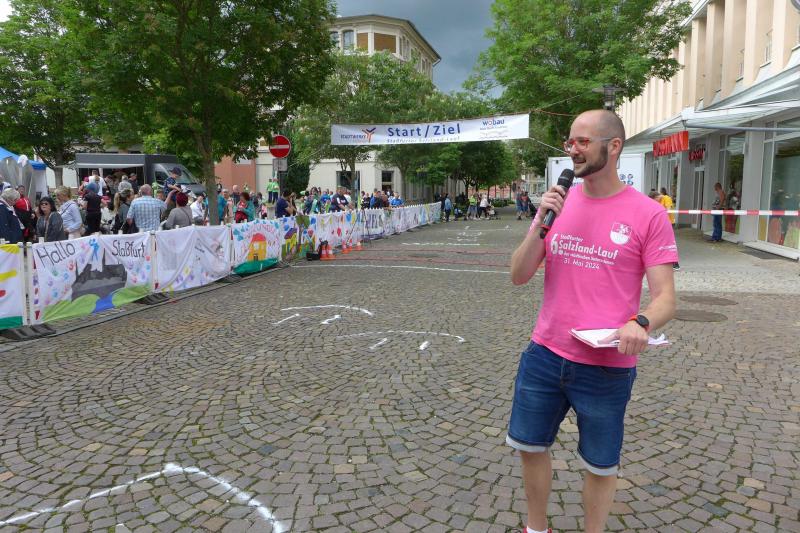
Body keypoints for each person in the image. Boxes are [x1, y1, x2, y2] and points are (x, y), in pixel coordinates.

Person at [507, 110, 678, 533]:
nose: (573, 150)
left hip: (606, 365)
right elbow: (518, 274)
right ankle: (536, 528)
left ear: (613, 146)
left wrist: (640, 322)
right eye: (570, 142)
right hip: (545, 353)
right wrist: (540, 223)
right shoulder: (557, 204)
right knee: (530, 446)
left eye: (583, 141)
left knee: (600, 465)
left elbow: (666, 299)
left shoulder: (648, 214)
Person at [658, 188, 680, 271]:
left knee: (669, 243)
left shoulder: (666, 198)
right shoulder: (661, 199)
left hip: (668, 223)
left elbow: (668, 209)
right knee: (663, 242)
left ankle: (675, 263)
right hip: (663, 223)